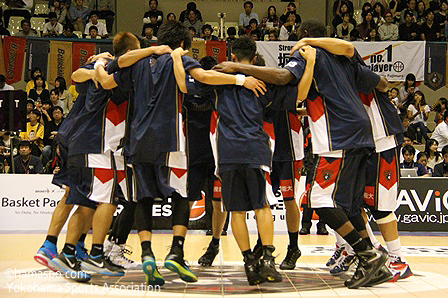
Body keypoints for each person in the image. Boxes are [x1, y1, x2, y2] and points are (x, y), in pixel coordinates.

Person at [213, 19, 390, 289]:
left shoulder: (307, 52)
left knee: (319, 200)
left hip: (337, 134)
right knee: (349, 205)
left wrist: (238, 68)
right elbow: (381, 82)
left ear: (305, 35)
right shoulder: (344, 58)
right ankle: (374, 261)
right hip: (362, 132)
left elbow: (284, 78)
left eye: (298, 36)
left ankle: (368, 255)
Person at [95, 23, 265, 285]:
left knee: (143, 198)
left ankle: (147, 253)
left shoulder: (136, 63)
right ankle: (176, 250)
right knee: (181, 195)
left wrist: (100, 61)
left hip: (137, 140)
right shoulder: (180, 59)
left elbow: (108, 78)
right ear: (183, 44)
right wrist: (240, 79)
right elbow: (204, 78)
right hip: (169, 138)